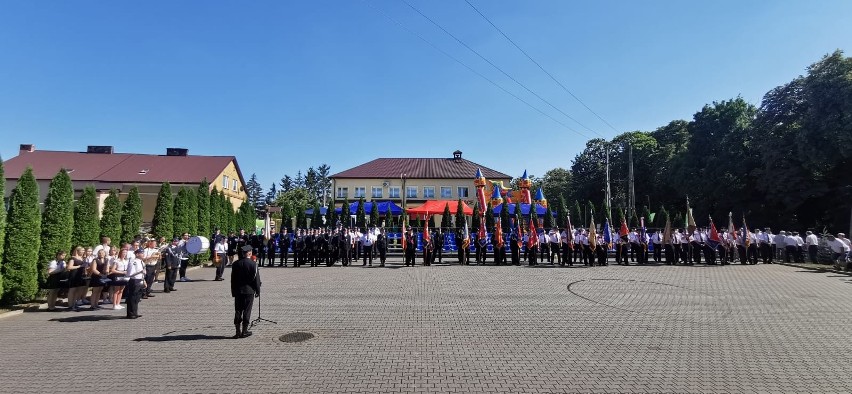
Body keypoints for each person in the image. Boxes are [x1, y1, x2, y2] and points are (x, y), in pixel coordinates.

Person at [231, 245, 261, 339]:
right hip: (249, 291)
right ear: (249, 253)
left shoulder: (235, 264)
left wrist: (233, 291)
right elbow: (256, 280)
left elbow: (233, 280)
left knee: (238, 310)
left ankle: (237, 331)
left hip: (238, 291)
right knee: (247, 310)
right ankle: (244, 331)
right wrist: (258, 291)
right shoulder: (253, 264)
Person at [124, 249, 147, 319]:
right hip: (134, 280)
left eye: (143, 253)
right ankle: (130, 313)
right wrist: (140, 272)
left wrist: (144, 281)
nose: (143, 254)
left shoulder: (141, 262)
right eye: (141, 253)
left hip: (140, 280)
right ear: (137, 254)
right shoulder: (133, 262)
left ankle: (135, 312)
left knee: (137, 298)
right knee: (132, 297)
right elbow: (130, 274)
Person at [66, 247, 89, 312]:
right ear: (77, 251)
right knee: (72, 290)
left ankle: (74, 304)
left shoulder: (82, 258)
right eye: (82, 250)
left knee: (77, 290)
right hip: (74, 274)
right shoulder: (73, 258)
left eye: (84, 250)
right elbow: (69, 267)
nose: (83, 251)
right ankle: (70, 305)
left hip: (80, 274)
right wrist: (79, 266)